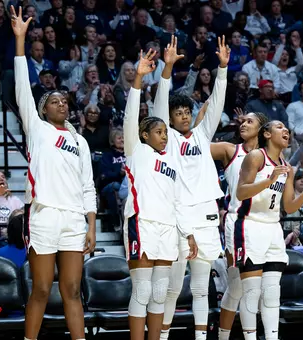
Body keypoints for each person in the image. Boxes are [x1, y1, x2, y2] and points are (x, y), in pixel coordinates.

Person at [12, 7, 97, 340]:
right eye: (55, 101)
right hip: (44, 215)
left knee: (73, 291)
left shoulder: (79, 140)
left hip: (75, 219)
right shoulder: (37, 129)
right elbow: (21, 85)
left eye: (64, 101)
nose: (62, 103)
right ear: (43, 108)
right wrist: (20, 40)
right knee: (42, 290)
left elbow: (88, 186)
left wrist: (91, 225)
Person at [152, 36, 230, 340]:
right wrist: (167, 69)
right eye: (178, 113)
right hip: (178, 216)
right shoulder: (167, 139)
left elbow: (217, 103)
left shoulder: (201, 135)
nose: (184, 116)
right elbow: (158, 108)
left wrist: (222, 70)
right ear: (170, 120)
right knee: (172, 286)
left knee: (200, 285)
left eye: (187, 112)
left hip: (206, 214)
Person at [122, 47, 198, 340]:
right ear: (145, 135)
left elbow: (177, 200)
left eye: (166, 131)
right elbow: (133, 115)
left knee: (159, 293)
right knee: (141, 291)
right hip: (141, 224)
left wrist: (187, 232)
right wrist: (141, 78)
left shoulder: (171, 159)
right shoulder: (137, 150)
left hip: (168, 228)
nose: (165, 134)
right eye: (159, 131)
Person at [235, 120, 303, 340]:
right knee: (252, 292)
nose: (286, 131)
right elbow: (241, 192)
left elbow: (289, 206)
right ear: (266, 134)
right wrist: (269, 180)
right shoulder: (256, 157)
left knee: (272, 292)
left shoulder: (287, 167)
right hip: (250, 225)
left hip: (273, 228)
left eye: (286, 128)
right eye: (280, 127)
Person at [211, 111, 269, 340]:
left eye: (250, 121)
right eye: (242, 121)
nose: (243, 124)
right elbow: (193, 144)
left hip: (265, 224)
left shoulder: (270, 156)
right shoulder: (230, 150)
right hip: (238, 224)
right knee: (240, 285)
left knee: (248, 288)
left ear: (262, 129)